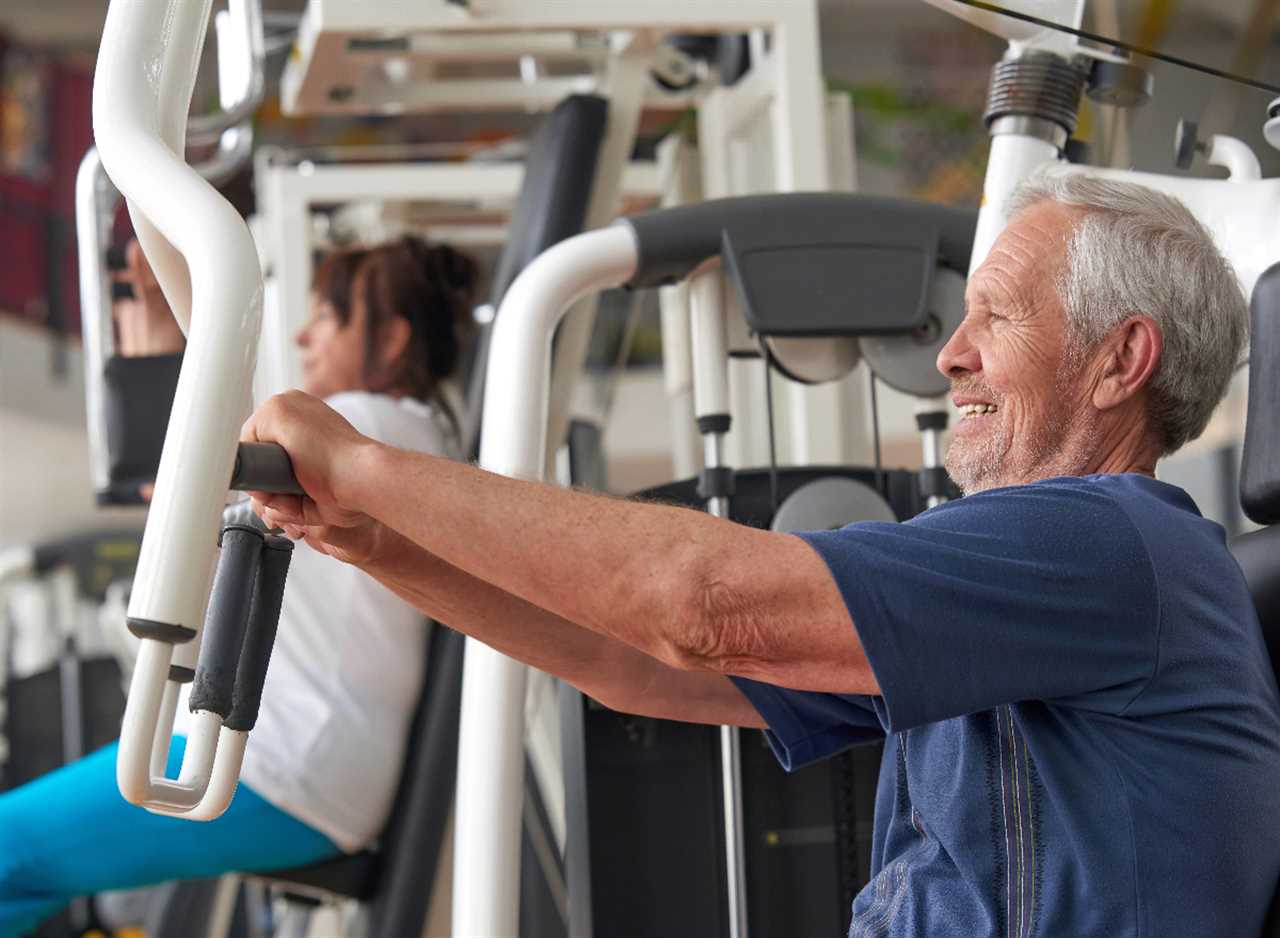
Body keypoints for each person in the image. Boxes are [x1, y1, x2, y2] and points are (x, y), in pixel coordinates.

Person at [241, 172, 1280, 938]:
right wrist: (383, 544)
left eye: (992, 319)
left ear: (1119, 361)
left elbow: (700, 607)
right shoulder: (1040, 574)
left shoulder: (1104, 540)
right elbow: (641, 665)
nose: (948, 355)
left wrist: (367, 466)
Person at [0, 233, 478, 938]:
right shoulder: (405, 434)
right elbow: (198, 490)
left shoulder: (366, 430)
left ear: (393, 336)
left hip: (287, 766)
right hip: (299, 761)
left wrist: (162, 347)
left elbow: (192, 479)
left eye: (327, 317)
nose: (303, 334)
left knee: (9, 851)